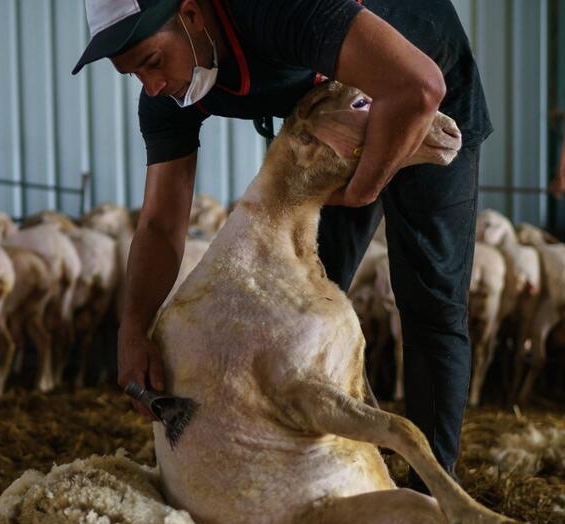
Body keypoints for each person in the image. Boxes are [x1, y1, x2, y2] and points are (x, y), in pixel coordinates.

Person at [73, 0, 490, 493]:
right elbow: (162, 224)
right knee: (309, 300)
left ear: (190, 15)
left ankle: (435, 494)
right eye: (135, 76)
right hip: (340, 111)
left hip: (425, 85)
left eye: (152, 62)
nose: (153, 86)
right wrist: (133, 328)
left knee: (429, 298)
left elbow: (419, 85)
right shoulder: (172, 93)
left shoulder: (279, 10)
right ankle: (323, 468)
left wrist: (361, 190)